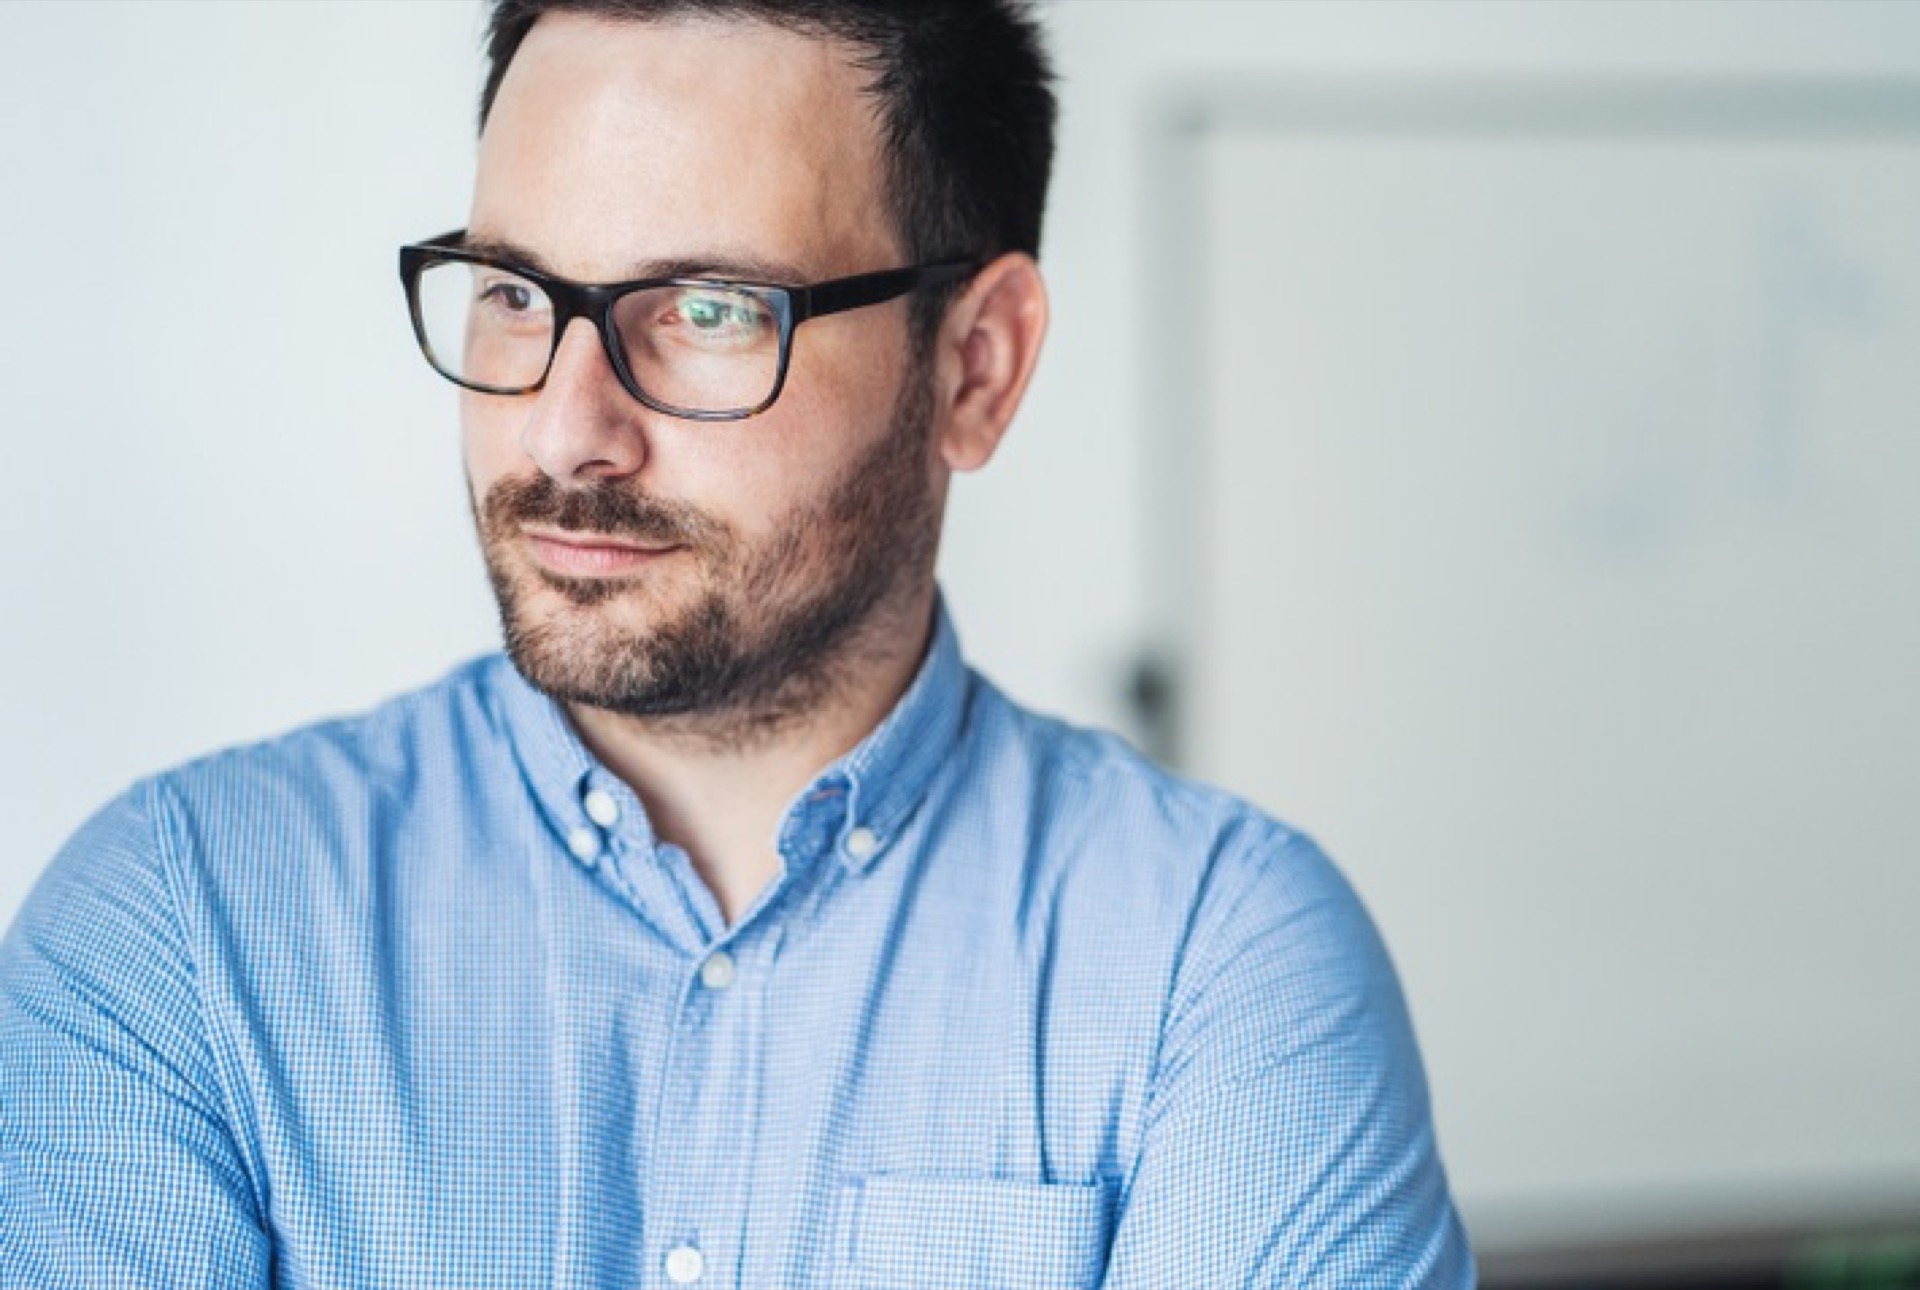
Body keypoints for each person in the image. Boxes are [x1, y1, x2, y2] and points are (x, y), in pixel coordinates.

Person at [0, 1, 1473, 1284]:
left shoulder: (1215, 965)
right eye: (515, 294)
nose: (567, 431)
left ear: (975, 366)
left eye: (708, 310)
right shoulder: (183, 929)